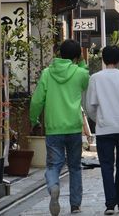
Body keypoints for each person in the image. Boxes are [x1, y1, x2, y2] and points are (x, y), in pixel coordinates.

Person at [30, 40, 90, 216]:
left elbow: (36, 100)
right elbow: (86, 79)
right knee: (75, 167)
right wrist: (81, 61)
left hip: (54, 128)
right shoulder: (79, 73)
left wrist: (34, 119)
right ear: (76, 57)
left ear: (58, 54)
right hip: (73, 127)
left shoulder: (47, 74)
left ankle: (54, 186)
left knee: (53, 165)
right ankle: (76, 206)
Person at [84, 45, 119, 215]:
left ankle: (109, 203)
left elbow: (90, 106)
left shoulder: (95, 78)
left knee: (107, 165)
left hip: (104, 128)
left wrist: (98, 119)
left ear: (103, 59)